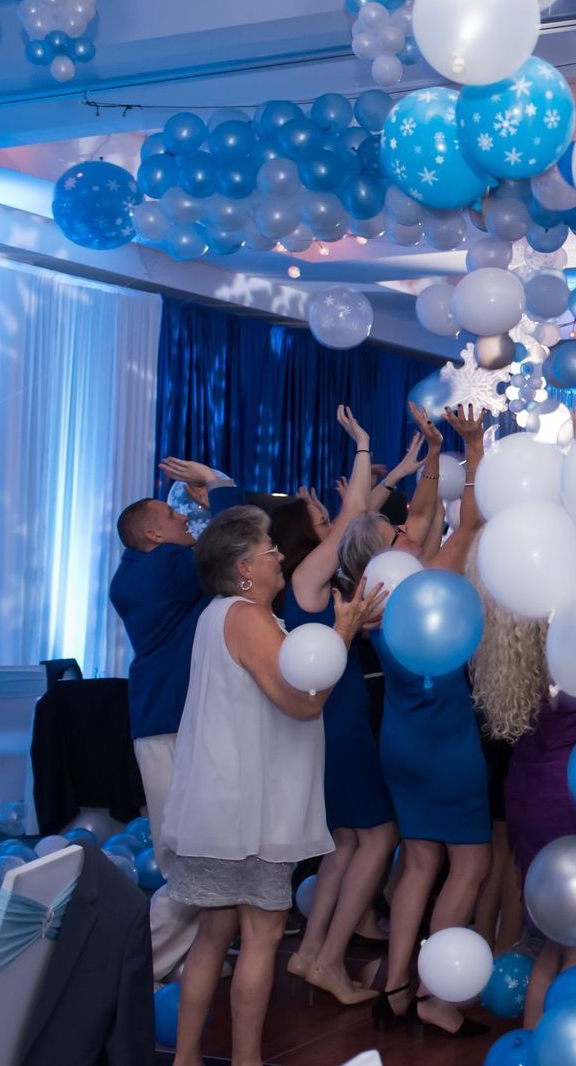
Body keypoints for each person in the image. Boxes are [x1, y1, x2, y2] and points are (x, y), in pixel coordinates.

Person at [162, 504, 384, 1066]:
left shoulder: (219, 615)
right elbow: (302, 705)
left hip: (220, 807)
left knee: (213, 937)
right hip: (249, 814)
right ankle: (246, 1061)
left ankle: (186, 1058)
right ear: (243, 567)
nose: (279, 555)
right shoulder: (250, 619)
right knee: (259, 939)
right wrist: (342, 631)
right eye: (269, 550)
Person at [354, 405, 494, 1038]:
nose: (406, 526)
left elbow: (425, 509)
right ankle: (439, 995)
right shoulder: (430, 581)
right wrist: (475, 442)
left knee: (416, 864)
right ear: (388, 549)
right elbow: (474, 516)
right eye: (395, 530)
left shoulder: (374, 601)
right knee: (468, 866)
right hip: (447, 744)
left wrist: (436, 453)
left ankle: (396, 988)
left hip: (401, 742)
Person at [277, 407, 397, 1006]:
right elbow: (356, 514)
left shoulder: (331, 591)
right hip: (338, 720)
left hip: (332, 716)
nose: (331, 521)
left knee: (347, 843)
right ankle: (326, 959)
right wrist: (363, 443)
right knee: (378, 838)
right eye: (318, 519)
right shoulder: (306, 580)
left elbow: (361, 517)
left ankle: (309, 954)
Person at [110, 455, 241, 983]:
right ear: (150, 533)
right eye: (172, 514)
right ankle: (131, 970)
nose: (184, 517)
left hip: (161, 718)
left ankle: (188, 957)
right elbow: (233, 550)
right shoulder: (164, 568)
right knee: (189, 859)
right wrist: (221, 484)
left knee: (191, 851)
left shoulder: (135, 570)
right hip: (171, 724)